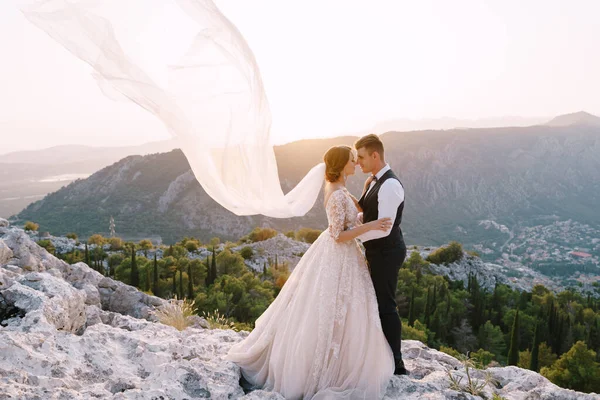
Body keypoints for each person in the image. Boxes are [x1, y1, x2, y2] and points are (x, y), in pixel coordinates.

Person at [225, 145, 395, 399]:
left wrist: (363, 208)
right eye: (351, 160)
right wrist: (369, 225)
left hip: (344, 255)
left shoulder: (341, 188)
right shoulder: (337, 194)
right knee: (329, 310)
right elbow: (338, 235)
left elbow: (348, 220)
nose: (355, 164)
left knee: (344, 310)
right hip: (338, 254)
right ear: (341, 165)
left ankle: (340, 362)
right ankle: (325, 369)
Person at [354, 134, 408, 375]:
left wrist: (352, 237)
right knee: (375, 301)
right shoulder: (371, 181)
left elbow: (384, 229)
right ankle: (380, 354)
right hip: (375, 250)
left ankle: (397, 363)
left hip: (387, 252)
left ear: (375, 155)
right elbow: (367, 212)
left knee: (386, 304)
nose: (358, 163)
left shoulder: (390, 185)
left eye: (362, 157)